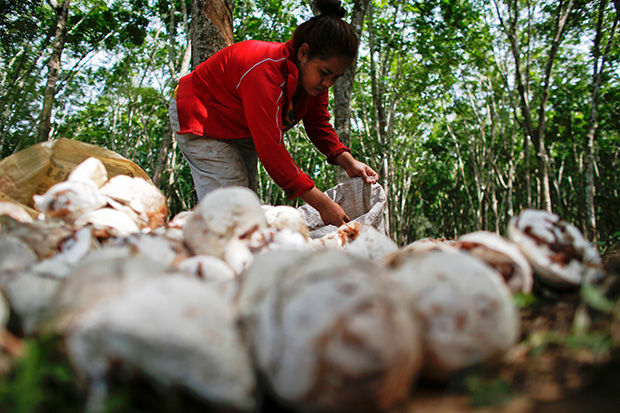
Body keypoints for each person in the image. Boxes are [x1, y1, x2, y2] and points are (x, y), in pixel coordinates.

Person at [168, 0, 378, 227]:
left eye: (336, 77)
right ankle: (205, 254)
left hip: (240, 126)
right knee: (233, 207)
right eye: (325, 73)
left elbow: (318, 124)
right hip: (201, 116)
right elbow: (271, 149)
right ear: (304, 53)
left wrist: (347, 161)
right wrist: (323, 205)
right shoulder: (264, 72)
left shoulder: (314, 84)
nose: (328, 83)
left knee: (244, 202)